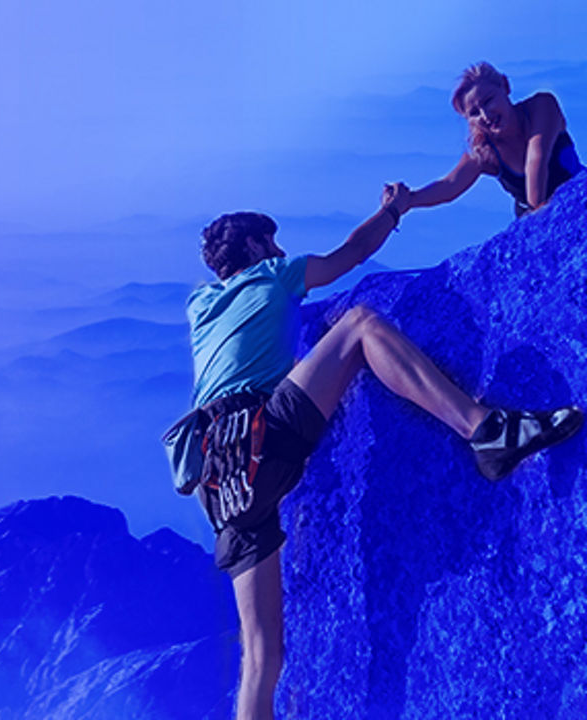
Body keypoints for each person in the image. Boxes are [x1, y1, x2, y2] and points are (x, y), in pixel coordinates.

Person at [185, 186, 582, 720]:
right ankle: (484, 429)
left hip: (216, 479)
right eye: (272, 243)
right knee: (360, 326)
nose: (280, 252)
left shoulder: (199, 305)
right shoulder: (272, 276)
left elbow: (241, 340)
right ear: (255, 248)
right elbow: (350, 255)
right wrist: (394, 209)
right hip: (261, 436)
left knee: (261, 659)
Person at [404, 62, 583, 217]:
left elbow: (537, 157)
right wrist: (407, 200)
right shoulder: (485, 151)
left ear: (505, 86)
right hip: (532, 222)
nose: (485, 115)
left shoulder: (542, 106)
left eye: (488, 101)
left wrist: (537, 213)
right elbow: (450, 185)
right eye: (474, 113)